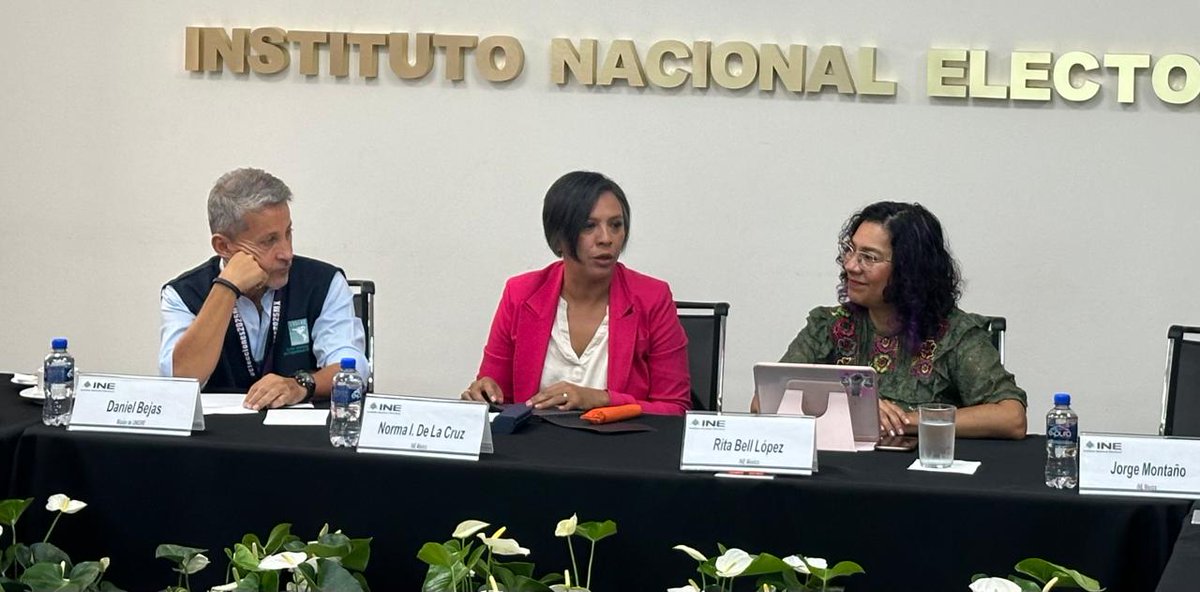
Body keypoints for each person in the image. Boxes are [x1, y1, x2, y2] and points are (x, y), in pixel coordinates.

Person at [754, 201, 1027, 439]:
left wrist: (904, 422)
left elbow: (1011, 418)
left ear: (909, 271)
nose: (850, 265)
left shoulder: (955, 335)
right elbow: (762, 402)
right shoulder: (828, 326)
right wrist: (855, 406)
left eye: (868, 257)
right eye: (850, 250)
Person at [463, 171, 691, 415]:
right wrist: (483, 394)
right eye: (589, 226)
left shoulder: (652, 297)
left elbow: (675, 410)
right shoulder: (520, 294)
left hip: (622, 448)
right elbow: (498, 397)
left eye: (616, 225)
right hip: (535, 449)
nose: (606, 239)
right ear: (559, 238)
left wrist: (602, 399)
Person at [159, 168, 367, 409]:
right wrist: (227, 287)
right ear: (223, 246)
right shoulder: (183, 294)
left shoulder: (323, 283)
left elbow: (352, 371)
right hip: (216, 441)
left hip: (301, 441)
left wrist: (300, 385)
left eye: (288, 233)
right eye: (269, 241)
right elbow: (180, 381)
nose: (287, 253)